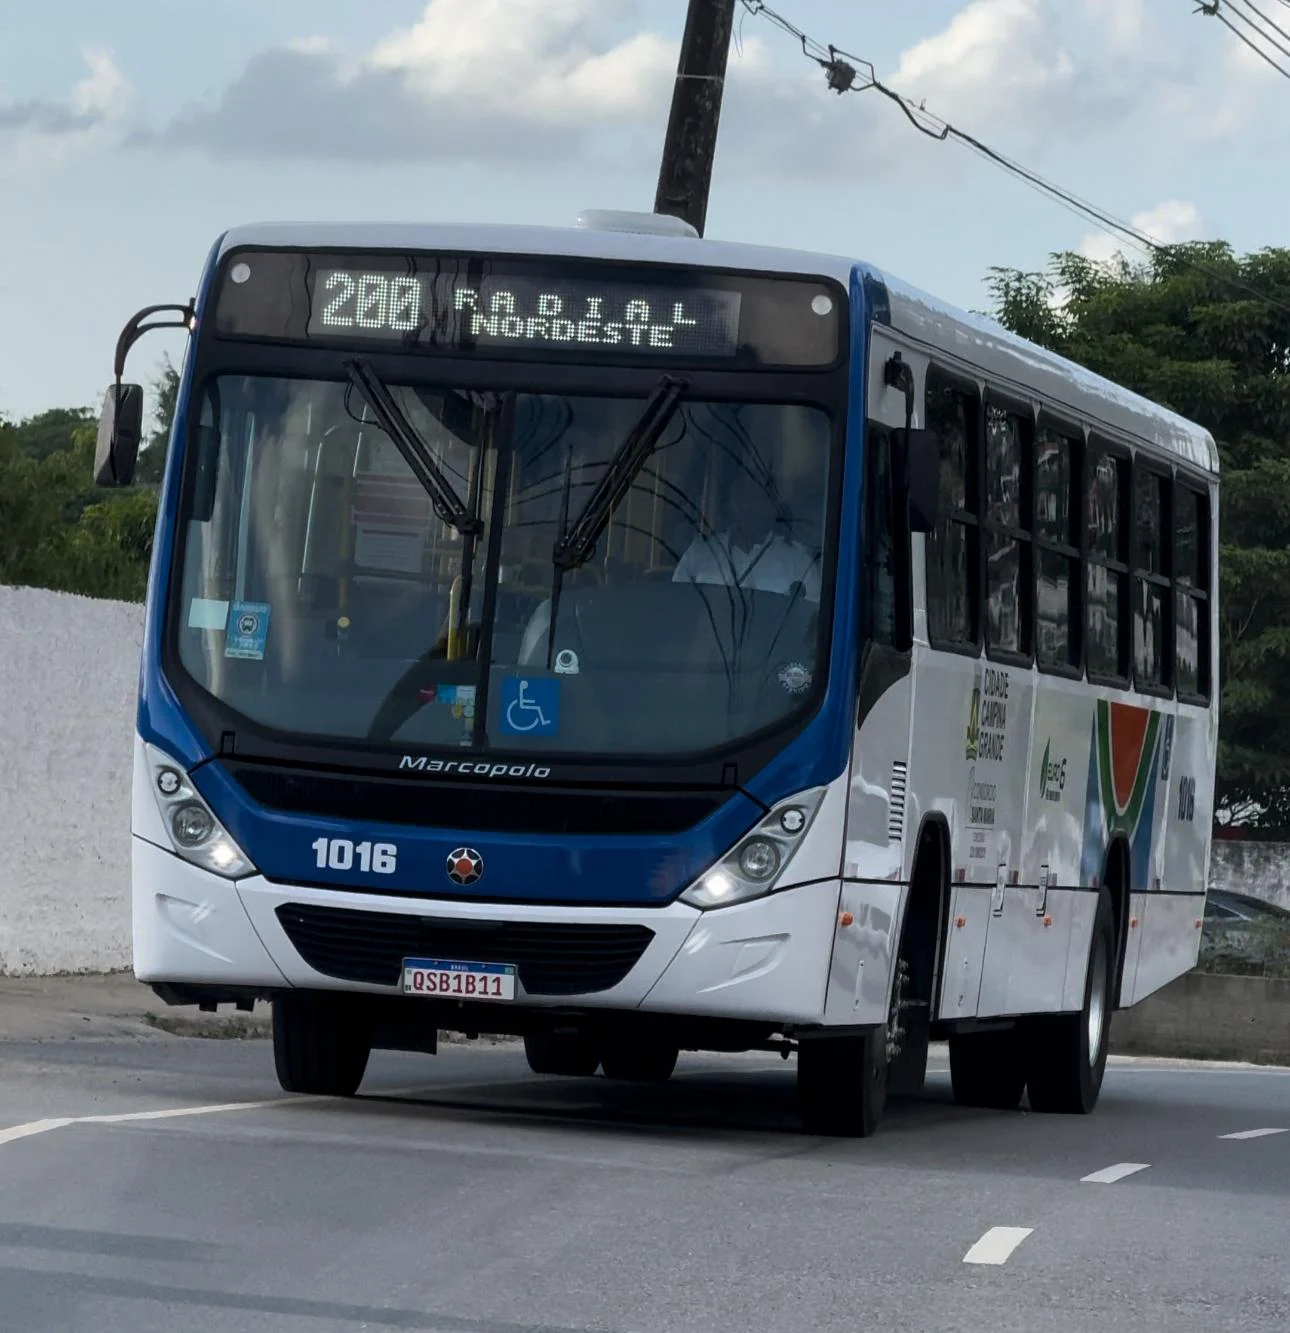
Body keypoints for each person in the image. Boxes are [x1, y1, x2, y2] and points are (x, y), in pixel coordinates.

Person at [672, 465, 821, 602]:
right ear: (733, 503)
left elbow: (813, 616)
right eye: (746, 498)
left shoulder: (799, 562)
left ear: (773, 507)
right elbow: (676, 605)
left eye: (760, 499)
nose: (752, 507)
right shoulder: (699, 553)